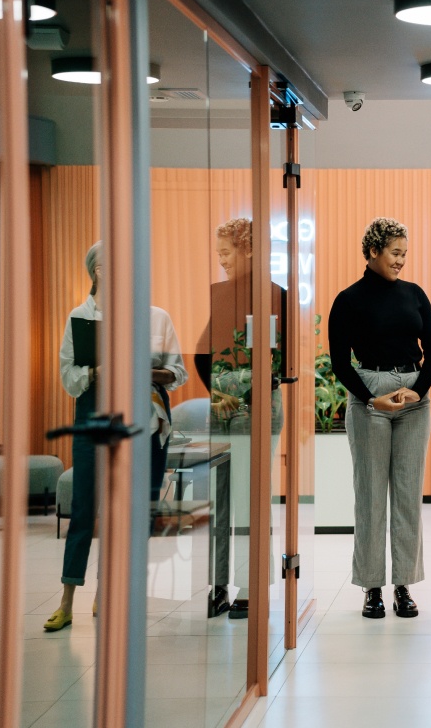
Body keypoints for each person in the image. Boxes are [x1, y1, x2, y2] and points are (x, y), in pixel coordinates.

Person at [45, 241, 187, 632]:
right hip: (94, 417)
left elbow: (179, 373)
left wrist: (142, 369)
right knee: (85, 509)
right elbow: (67, 376)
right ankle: (66, 599)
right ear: (96, 270)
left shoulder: (155, 317)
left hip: (142, 419)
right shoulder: (80, 317)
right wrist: (97, 372)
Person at [328, 217, 431, 619]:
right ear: (373, 251)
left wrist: (418, 391)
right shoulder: (348, 300)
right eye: (395, 253)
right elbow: (340, 363)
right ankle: (372, 588)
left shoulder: (415, 294)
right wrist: (371, 400)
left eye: (405, 255)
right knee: (371, 497)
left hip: (414, 398)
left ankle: (404, 586)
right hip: (369, 395)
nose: (401, 262)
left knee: (408, 496)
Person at [195, 218, 287, 619]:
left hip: (258, 408)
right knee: (221, 503)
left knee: (251, 501)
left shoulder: (273, 296)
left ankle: (251, 588)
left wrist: (231, 388)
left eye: (227, 254)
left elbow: (275, 365)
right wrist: (216, 394)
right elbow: (202, 353)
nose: (222, 262)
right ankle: (217, 586)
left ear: (248, 250)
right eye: (218, 255)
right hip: (223, 408)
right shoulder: (221, 295)